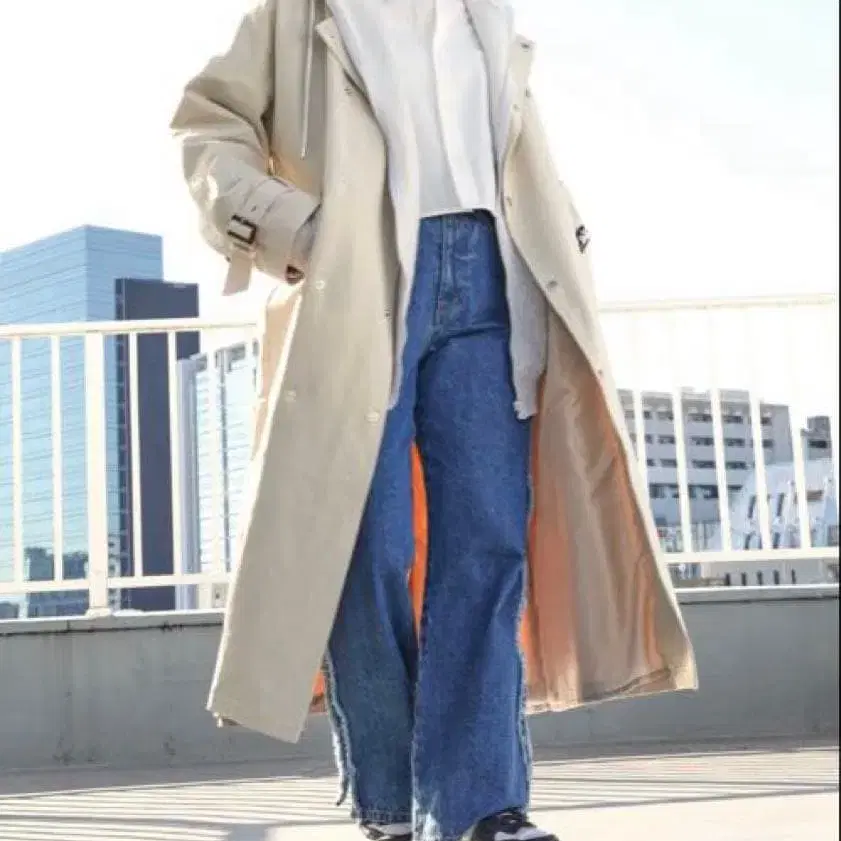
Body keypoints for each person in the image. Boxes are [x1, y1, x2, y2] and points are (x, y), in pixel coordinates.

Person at [171, 1, 698, 840]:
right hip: (365, 275)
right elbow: (207, 124)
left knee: (487, 544)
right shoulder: (297, 13)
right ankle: (389, 801)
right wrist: (294, 227)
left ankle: (477, 805)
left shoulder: (483, 13)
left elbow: (510, 146)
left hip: (495, 271)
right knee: (364, 544)